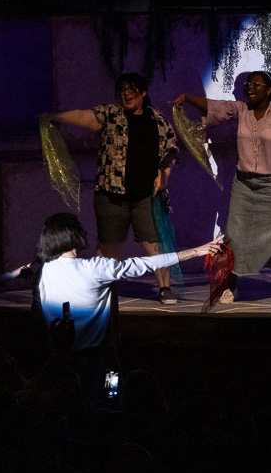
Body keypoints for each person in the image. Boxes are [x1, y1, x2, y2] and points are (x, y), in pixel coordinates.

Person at [33, 212, 221, 389]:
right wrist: (195, 252)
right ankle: (112, 401)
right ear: (72, 235)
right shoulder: (95, 268)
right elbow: (146, 264)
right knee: (111, 394)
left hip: (61, 360)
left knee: (69, 399)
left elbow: (38, 316)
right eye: (80, 229)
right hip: (102, 360)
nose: (85, 233)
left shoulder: (45, 272)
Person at [173, 72, 271, 303]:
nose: (250, 87)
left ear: (269, 90)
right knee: (234, 236)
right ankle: (230, 287)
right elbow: (214, 106)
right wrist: (187, 97)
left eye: (256, 84)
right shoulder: (241, 110)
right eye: (248, 84)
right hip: (243, 185)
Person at [47, 72, 181, 303]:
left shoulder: (158, 119)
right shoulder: (110, 114)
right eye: (122, 90)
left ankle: (165, 288)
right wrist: (56, 116)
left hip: (146, 195)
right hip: (111, 194)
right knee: (109, 245)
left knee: (155, 243)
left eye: (131, 89)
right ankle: (102, 289)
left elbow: (171, 150)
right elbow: (84, 116)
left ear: (143, 92)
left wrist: (164, 174)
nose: (126, 94)